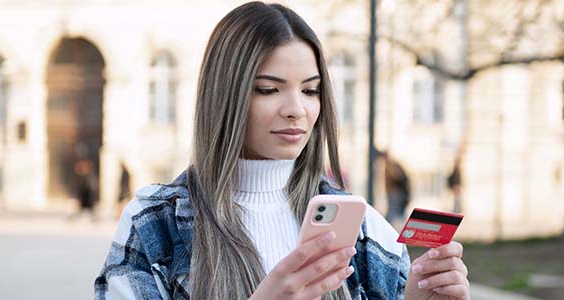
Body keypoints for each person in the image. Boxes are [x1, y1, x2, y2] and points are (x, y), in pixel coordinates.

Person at [94, 2, 469, 299]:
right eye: (268, 89)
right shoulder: (154, 223)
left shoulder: (365, 229)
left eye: (310, 90)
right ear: (224, 96)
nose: (296, 109)